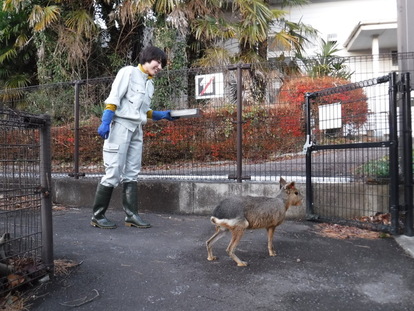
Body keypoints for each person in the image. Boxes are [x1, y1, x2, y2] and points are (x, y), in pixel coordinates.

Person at [91, 46, 176, 229]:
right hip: (120, 126)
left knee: (132, 173)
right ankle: (98, 216)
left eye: (162, 64)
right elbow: (114, 99)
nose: (160, 66)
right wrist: (106, 121)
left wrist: (162, 115)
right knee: (113, 172)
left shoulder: (149, 83)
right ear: (147, 58)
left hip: (137, 129)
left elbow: (143, 111)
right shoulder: (128, 72)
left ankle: (131, 215)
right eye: (158, 62)